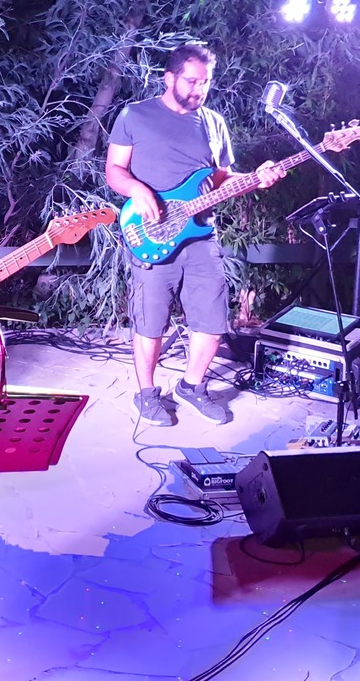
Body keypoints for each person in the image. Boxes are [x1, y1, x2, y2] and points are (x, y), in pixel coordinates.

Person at [104, 42, 282, 427]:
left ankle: (192, 386)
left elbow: (220, 179)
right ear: (169, 78)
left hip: (202, 234)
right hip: (151, 230)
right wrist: (138, 190)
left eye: (205, 82)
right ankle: (146, 395)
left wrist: (256, 179)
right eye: (191, 81)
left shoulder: (213, 123)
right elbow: (114, 170)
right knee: (150, 321)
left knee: (213, 321)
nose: (199, 89)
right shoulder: (135, 115)